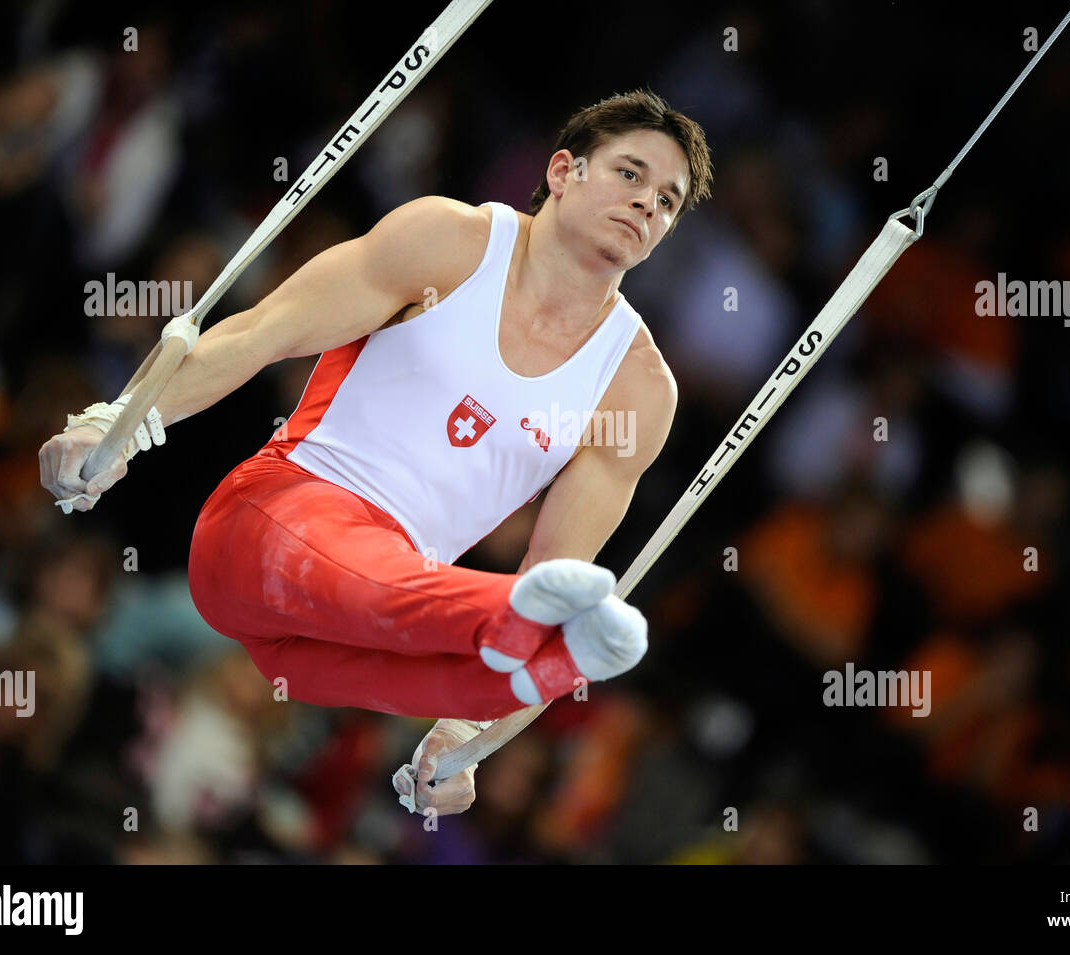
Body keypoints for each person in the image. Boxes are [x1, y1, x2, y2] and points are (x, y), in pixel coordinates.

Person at [40, 89, 713, 815]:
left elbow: (555, 571)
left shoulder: (638, 389)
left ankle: (535, 660)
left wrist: (464, 743)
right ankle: (523, 634)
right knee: (476, 612)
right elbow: (260, 333)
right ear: (562, 172)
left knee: (485, 679)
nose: (649, 204)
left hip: (357, 623)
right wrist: (120, 423)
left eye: (669, 201)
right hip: (270, 521)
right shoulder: (449, 243)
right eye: (631, 174)